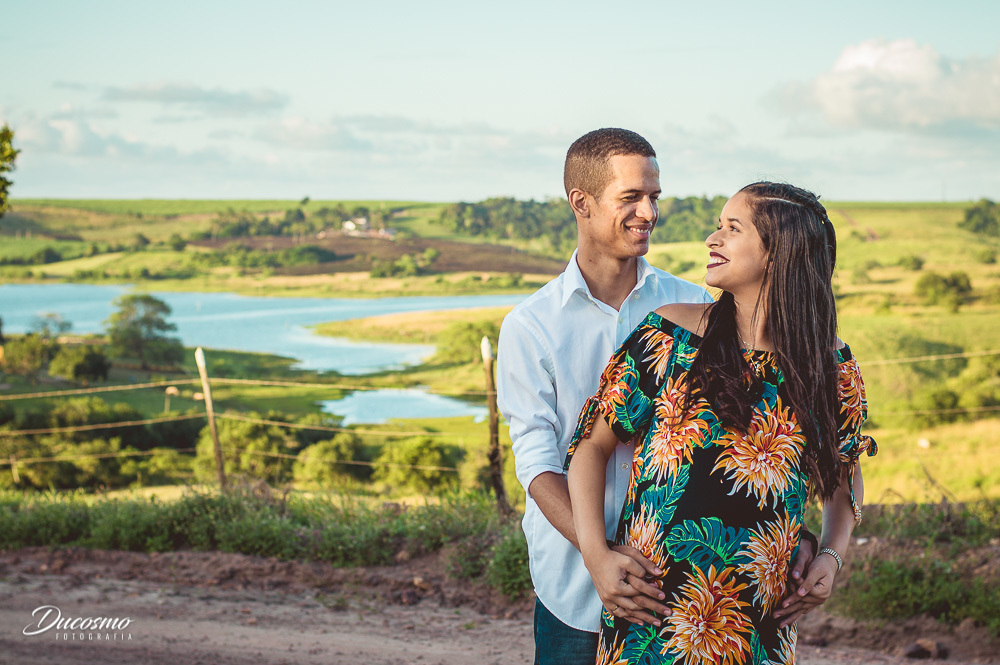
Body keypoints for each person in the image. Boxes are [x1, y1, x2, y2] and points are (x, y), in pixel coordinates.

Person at [497, 131, 816, 665]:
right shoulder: (530, 326)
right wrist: (598, 556)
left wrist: (796, 535)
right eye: (631, 198)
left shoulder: (694, 306)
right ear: (581, 202)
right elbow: (537, 463)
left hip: (680, 594)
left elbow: (747, 435)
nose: (648, 212)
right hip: (574, 583)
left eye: (654, 197)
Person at [565, 181, 877, 664]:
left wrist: (831, 555)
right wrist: (596, 555)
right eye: (718, 226)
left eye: (732, 228)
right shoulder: (670, 338)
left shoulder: (832, 368)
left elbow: (843, 473)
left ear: (779, 252)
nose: (713, 239)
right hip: (652, 620)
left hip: (758, 626)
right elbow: (590, 447)